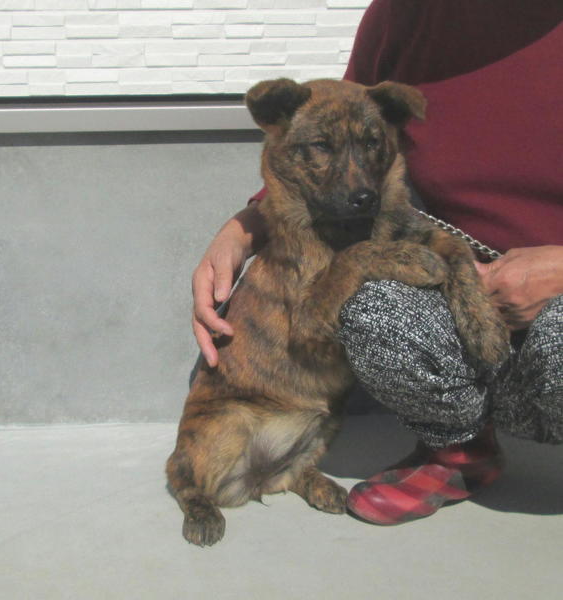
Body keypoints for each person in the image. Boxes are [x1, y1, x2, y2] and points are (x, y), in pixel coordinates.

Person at [191, 0, 563, 525]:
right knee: (370, 304)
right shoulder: (407, 15)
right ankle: (459, 451)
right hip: (463, 285)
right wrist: (247, 225)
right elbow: (332, 121)